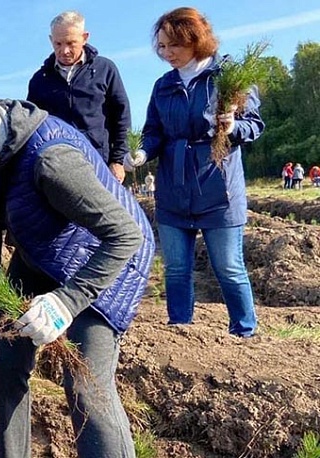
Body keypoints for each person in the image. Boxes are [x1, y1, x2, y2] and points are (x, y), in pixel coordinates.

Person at [0, 66, 154, 458]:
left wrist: (66, 302)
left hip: (101, 256)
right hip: (41, 249)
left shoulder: (51, 161)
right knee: (5, 360)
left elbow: (125, 236)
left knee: (86, 385)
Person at [123, 7, 264, 337]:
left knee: (228, 268)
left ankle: (244, 333)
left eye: (174, 45)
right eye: (162, 46)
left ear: (195, 41)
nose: (167, 53)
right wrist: (143, 153)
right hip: (173, 190)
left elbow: (254, 125)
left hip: (218, 189)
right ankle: (180, 333)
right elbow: (155, 131)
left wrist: (232, 127)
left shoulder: (227, 78)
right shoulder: (163, 86)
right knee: (176, 269)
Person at [27, 10, 132, 183]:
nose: (64, 50)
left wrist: (118, 160)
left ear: (85, 37)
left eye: (71, 43)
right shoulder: (39, 80)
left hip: (100, 165)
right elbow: (32, 127)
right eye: (58, 43)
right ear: (50, 40)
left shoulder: (105, 69)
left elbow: (122, 116)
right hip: (57, 168)